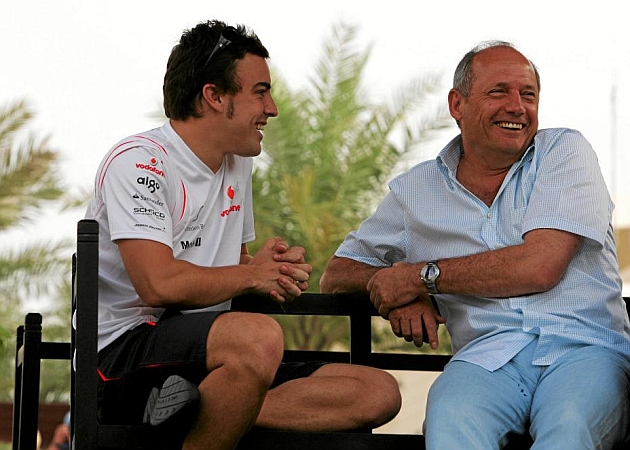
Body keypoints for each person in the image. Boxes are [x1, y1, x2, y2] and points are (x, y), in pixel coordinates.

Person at [85, 20, 401, 450]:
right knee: (260, 335)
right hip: (123, 357)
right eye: (260, 91)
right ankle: (218, 406)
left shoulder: (237, 162)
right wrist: (253, 276)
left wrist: (263, 267)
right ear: (214, 96)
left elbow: (227, 270)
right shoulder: (139, 162)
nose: (271, 108)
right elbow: (158, 284)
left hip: (208, 356)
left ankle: (208, 408)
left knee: (378, 391)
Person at [320, 40, 630, 449]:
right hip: (487, 358)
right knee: (449, 420)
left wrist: (421, 277)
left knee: (568, 430)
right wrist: (397, 289)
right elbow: (337, 273)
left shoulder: (563, 152)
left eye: (528, 94)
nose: (517, 106)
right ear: (457, 104)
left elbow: (540, 266)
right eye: (499, 91)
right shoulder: (416, 190)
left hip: (583, 349)